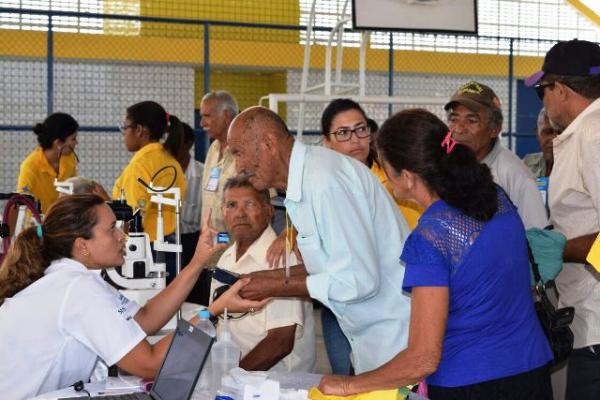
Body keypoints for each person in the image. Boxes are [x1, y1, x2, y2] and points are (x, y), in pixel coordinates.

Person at [318, 109, 553, 399]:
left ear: (406, 177)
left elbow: (423, 358)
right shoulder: (496, 196)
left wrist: (349, 384)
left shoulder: (431, 236)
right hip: (532, 372)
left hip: (470, 384)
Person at [0, 194, 268, 400]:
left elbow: (144, 319)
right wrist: (211, 312)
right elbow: (149, 364)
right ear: (82, 246)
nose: (122, 236)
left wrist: (198, 262)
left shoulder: (75, 281)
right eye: (111, 230)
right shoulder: (78, 290)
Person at [227, 106, 412, 374]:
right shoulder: (306, 182)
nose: (238, 167)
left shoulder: (325, 183)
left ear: (268, 143)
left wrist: (274, 286)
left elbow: (357, 280)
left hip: (394, 344)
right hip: (370, 343)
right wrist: (262, 279)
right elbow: (332, 266)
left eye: (238, 153)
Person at [525, 39, 600, 400]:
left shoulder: (594, 135)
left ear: (562, 90)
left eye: (544, 90)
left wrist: (563, 248)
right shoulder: (583, 134)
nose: (544, 101)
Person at [211, 175, 315, 372]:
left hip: (274, 384)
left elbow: (280, 343)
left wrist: (232, 380)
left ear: (269, 212)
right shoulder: (226, 258)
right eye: (231, 205)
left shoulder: (283, 259)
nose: (239, 213)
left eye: (249, 204)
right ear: (223, 213)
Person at [445, 81, 548, 229]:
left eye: (471, 121)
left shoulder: (515, 176)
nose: (459, 130)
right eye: (454, 119)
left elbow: (537, 237)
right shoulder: (446, 166)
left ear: (495, 129)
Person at [113, 101, 187, 243]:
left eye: (125, 127)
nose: (124, 134)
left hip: (146, 247)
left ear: (139, 130)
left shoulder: (140, 164)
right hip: (170, 241)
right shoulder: (171, 162)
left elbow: (133, 214)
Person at [17, 112, 79, 213]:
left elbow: (71, 192)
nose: (76, 143)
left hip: (61, 222)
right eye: (73, 139)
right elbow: (23, 203)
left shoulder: (69, 159)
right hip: (36, 225)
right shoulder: (30, 166)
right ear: (58, 143)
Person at [176, 122, 209, 304]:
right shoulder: (162, 172)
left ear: (188, 145)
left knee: (194, 294)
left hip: (193, 242)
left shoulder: (203, 173)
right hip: (168, 241)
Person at [200, 91, 239, 235]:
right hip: (210, 240)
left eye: (207, 116)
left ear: (227, 115)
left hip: (235, 244)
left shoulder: (245, 150)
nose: (202, 123)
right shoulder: (213, 148)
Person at [522, 108, 560, 178]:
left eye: (560, 133)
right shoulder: (527, 164)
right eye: (548, 132)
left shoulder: (578, 167)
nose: (554, 139)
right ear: (537, 134)